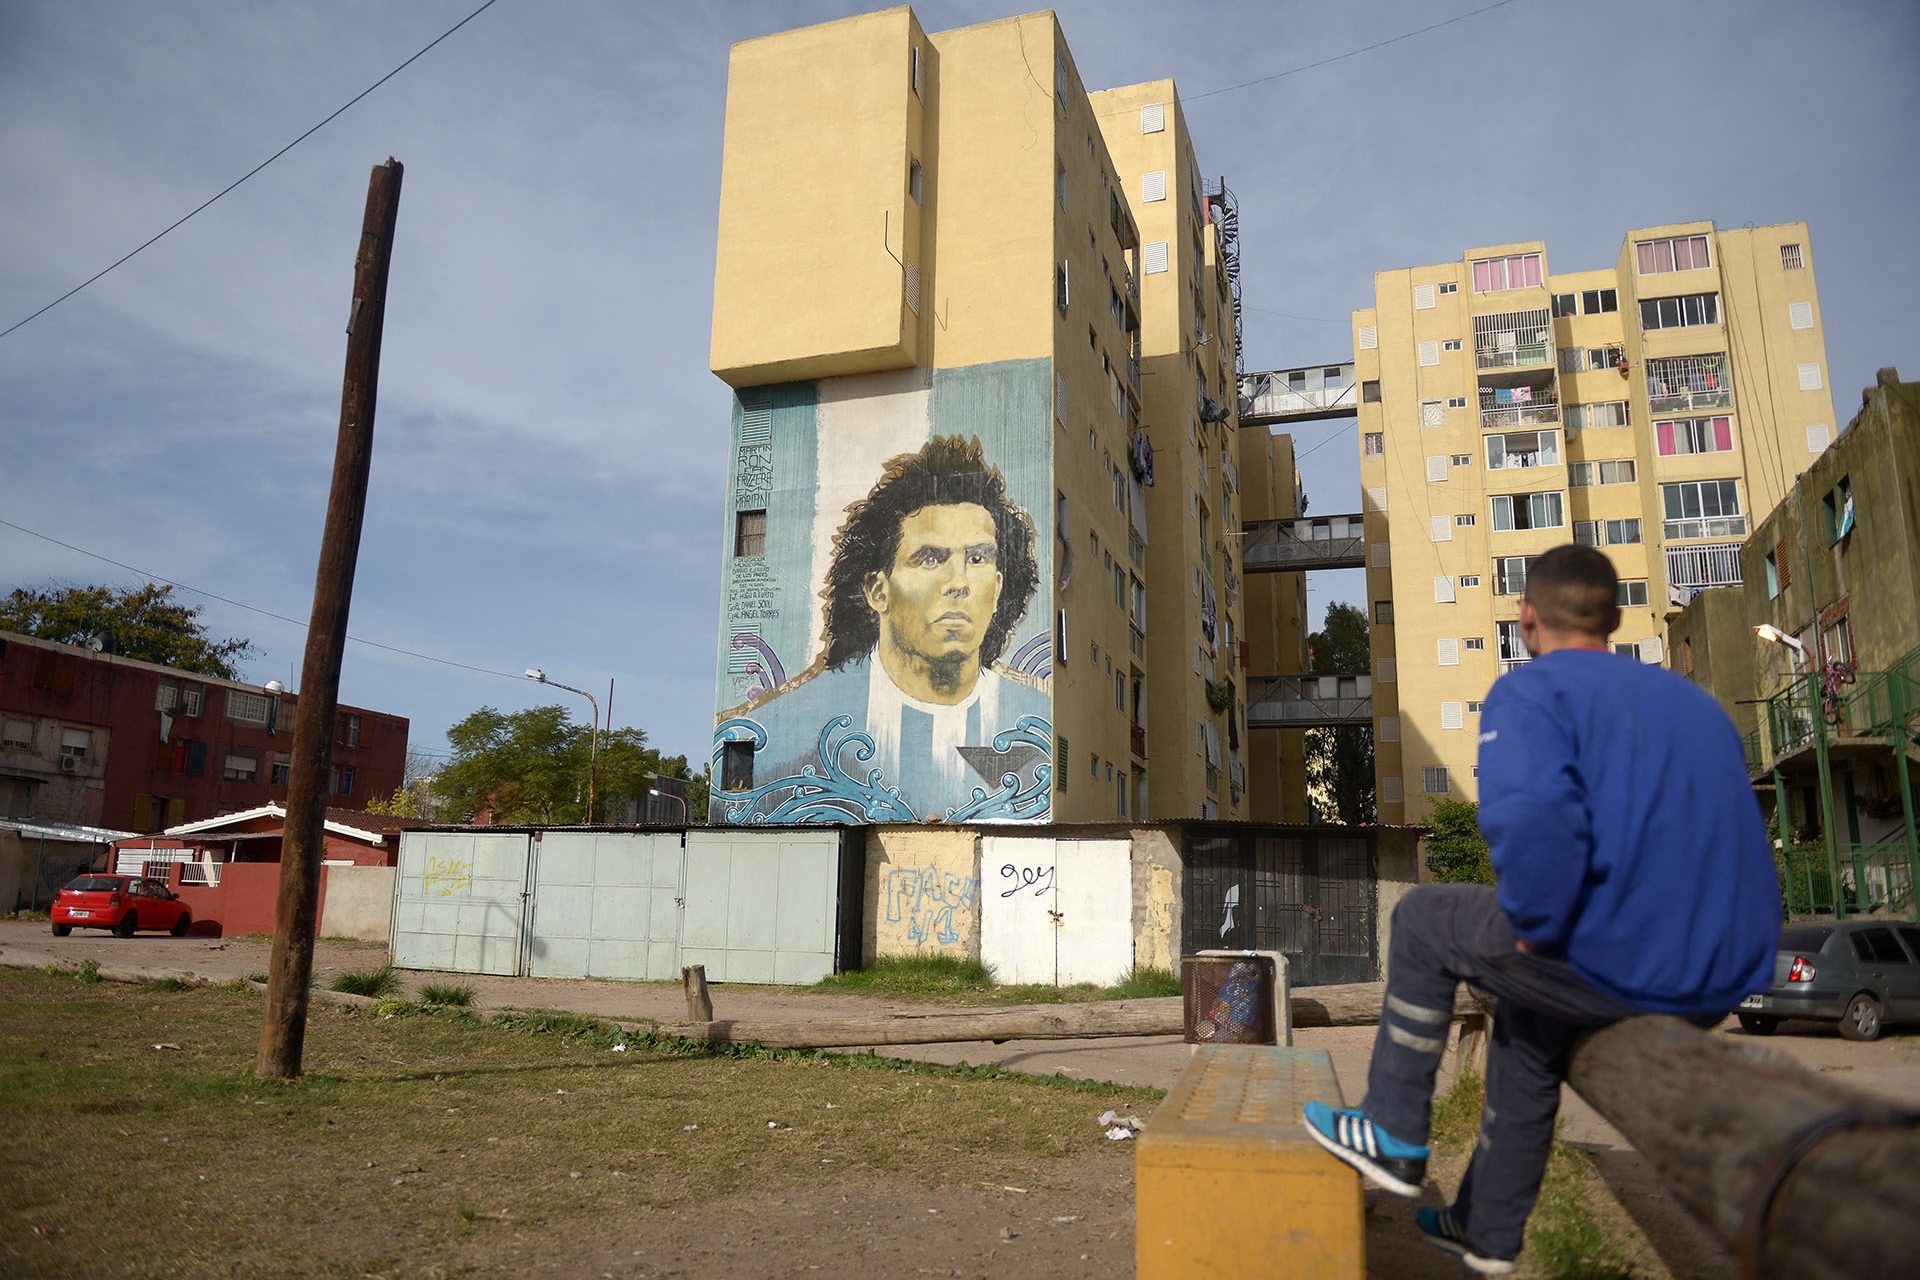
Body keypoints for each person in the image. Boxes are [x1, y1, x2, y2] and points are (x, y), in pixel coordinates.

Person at [1301, 543, 1779, 1275]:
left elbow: (1532, 821)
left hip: (1626, 967)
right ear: (1614, 619)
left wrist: (1537, 924)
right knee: (1527, 1021)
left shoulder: (1535, 691)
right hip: (1721, 978)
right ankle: (1486, 1228)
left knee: (1424, 917)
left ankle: (1393, 1131)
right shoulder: (1696, 704)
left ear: (1526, 617)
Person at [713, 435, 1051, 823]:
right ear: (877, 590)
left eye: (977, 558)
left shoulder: (1037, 726)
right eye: (929, 559)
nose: (958, 582)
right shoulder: (778, 734)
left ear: (999, 589)